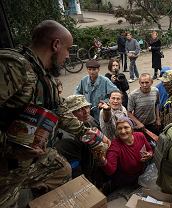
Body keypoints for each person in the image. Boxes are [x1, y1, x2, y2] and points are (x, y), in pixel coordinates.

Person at [0, 20, 108, 207]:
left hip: (28, 156)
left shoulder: (45, 77)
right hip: (6, 161)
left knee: (60, 169)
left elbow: (61, 111)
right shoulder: (13, 66)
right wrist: (11, 148)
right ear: (56, 45)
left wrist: (85, 132)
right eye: (68, 49)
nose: (68, 56)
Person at [100, 115, 153, 193]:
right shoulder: (115, 146)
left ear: (132, 129)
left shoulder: (140, 136)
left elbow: (150, 149)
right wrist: (102, 159)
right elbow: (110, 170)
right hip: (125, 180)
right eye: (119, 129)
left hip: (141, 173)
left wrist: (149, 154)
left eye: (126, 127)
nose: (123, 131)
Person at [55, 95, 99, 180]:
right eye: (79, 110)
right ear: (70, 115)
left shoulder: (89, 121)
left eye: (86, 107)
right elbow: (75, 169)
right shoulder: (65, 139)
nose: (86, 112)